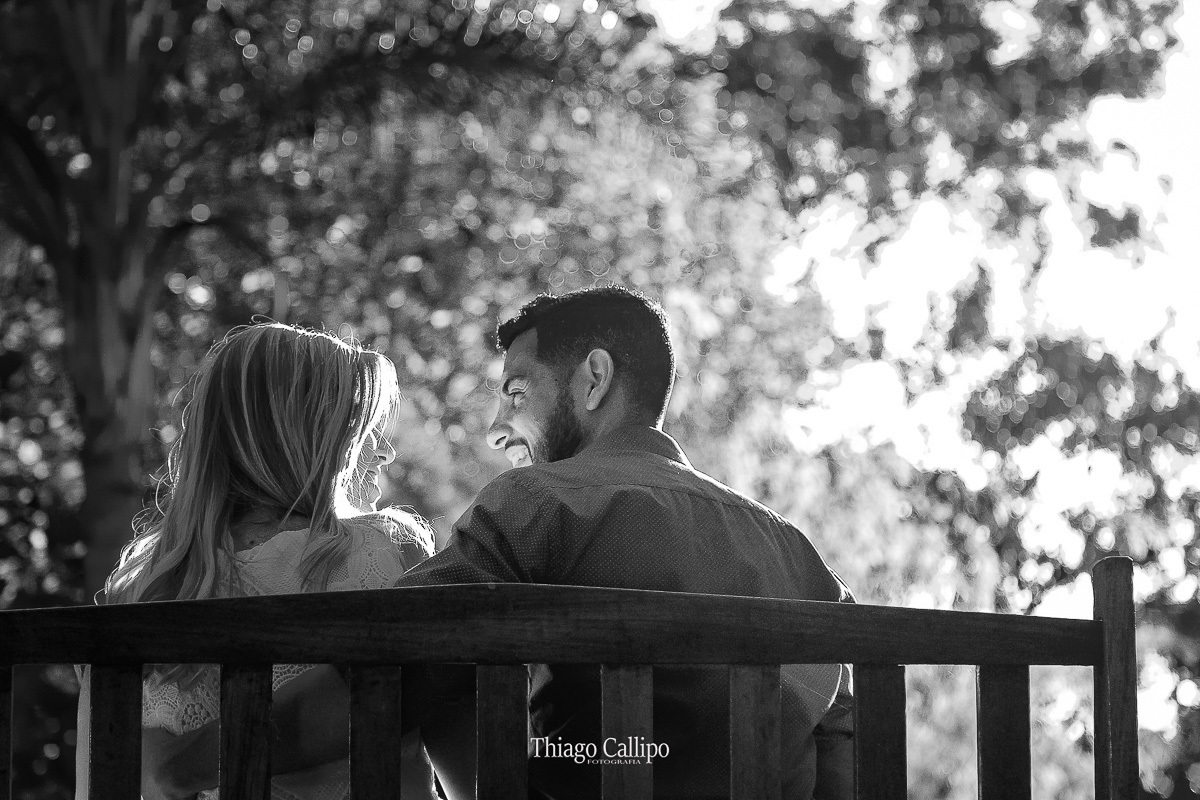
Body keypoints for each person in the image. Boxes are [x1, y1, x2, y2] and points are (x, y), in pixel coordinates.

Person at [400, 286, 855, 800]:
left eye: (517, 393)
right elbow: (840, 746)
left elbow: (383, 654)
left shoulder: (534, 506)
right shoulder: (796, 556)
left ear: (594, 379)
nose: (495, 432)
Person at [74, 322, 437, 800]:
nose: (385, 451)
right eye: (366, 428)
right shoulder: (386, 549)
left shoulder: (142, 589)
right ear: (308, 438)